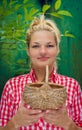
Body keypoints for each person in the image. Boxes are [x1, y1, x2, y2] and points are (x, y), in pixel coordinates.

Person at [0, 15, 82, 130]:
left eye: (49, 45)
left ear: (57, 49)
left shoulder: (72, 86)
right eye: (36, 46)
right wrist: (15, 122)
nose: (43, 51)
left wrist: (68, 124)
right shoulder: (12, 87)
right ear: (28, 50)